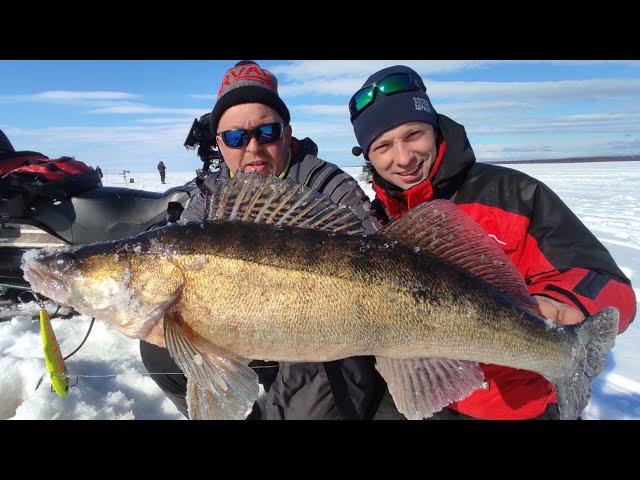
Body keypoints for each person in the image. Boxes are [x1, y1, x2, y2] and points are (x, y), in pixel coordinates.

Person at [347, 65, 637, 420]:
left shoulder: (513, 194)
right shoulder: (370, 224)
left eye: (414, 135)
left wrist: (564, 301)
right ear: (368, 156)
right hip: (424, 399)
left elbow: (608, 283)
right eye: (383, 146)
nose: (404, 158)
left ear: (435, 128)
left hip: (514, 405)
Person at [139, 60, 387, 420]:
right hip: (239, 325)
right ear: (219, 143)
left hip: (320, 331)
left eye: (266, 132)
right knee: (161, 351)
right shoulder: (210, 197)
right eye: (236, 138)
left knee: (306, 407)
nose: (253, 148)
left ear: (287, 132)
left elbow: (375, 254)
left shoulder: (329, 187)